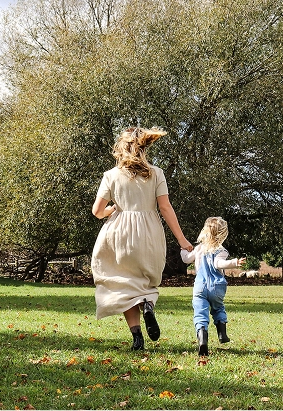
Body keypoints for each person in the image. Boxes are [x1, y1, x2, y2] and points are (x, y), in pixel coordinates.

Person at [91, 126, 193, 351]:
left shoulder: (111, 175)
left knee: (124, 282)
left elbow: (97, 211)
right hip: (149, 233)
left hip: (119, 235)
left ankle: (137, 337)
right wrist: (183, 240)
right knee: (146, 280)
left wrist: (112, 210)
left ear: (121, 148)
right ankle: (147, 304)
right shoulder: (156, 173)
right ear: (144, 147)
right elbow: (165, 208)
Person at [180, 216, 246, 356]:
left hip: (199, 287)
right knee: (218, 308)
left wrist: (183, 249)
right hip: (217, 287)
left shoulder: (199, 249)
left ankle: (202, 339)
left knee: (200, 313)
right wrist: (234, 262)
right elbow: (218, 264)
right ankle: (222, 334)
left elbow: (186, 259)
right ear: (222, 234)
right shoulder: (221, 250)